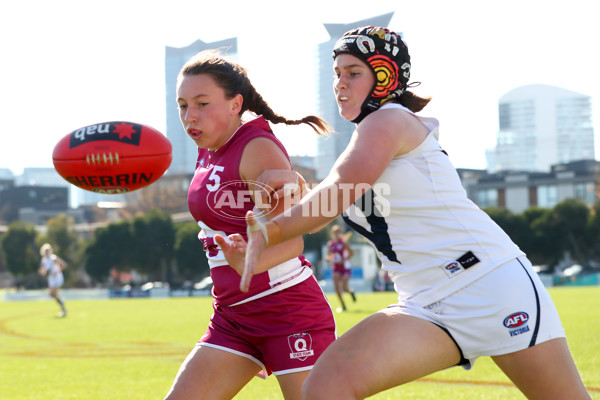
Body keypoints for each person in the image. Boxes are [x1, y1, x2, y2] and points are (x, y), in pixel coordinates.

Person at [238, 27, 592, 399]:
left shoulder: (387, 120)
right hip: (425, 303)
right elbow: (365, 200)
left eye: (353, 73)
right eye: (337, 74)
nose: (340, 84)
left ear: (386, 76)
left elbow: (341, 190)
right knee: (326, 387)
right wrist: (294, 194)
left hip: (488, 284)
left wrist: (270, 231)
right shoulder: (374, 134)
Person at [163, 50, 337, 400]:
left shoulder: (257, 148)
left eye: (201, 103)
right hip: (232, 318)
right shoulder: (208, 148)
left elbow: (293, 242)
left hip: (287, 311)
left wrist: (249, 262)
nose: (189, 117)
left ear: (234, 104)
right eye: (183, 105)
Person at [325, 224, 355, 312]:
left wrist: (343, 260)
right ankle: (343, 305)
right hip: (336, 268)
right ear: (332, 234)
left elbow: (351, 253)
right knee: (337, 288)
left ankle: (351, 292)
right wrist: (328, 259)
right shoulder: (330, 244)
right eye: (335, 232)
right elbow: (331, 256)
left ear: (341, 233)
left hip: (345, 267)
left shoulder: (344, 243)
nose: (336, 234)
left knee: (345, 288)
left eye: (338, 232)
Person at [38, 243, 67, 318]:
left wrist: (57, 271)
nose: (46, 252)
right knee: (51, 294)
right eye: (45, 251)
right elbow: (44, 271)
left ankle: (62, 306)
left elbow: (64, 265)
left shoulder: (53, 258)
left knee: (53, 292)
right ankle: (62, 304)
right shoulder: (43, 260)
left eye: (48, 250)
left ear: (50, 251)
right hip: (51, 278)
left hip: (57, 277)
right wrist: (42, 272)